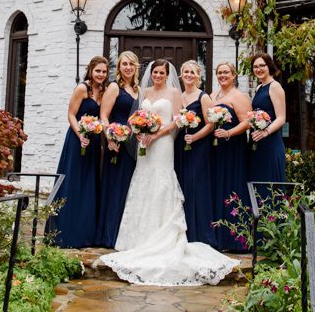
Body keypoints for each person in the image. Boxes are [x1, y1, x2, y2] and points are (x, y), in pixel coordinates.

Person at [100, 59, 238, 286]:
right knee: (143, 182)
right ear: (151, 74)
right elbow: (135, 118)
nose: (157, 75)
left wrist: (156, 134)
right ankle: (137, 237)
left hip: (163, 144)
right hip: (145, 143)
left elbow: (176, 121)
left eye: (161, 72)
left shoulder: (174, 92)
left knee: (162, 182)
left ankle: (163, 233)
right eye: (154, 72)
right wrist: (139, 132)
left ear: (167, 74)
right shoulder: (143, 92)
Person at [46, 56, 108, 248]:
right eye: (98, 71)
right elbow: (71, 114)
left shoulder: (104, 90)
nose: (101, 75)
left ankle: (85, 232)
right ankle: (66, 231)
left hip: (94, 141)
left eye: (104, 72)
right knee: (74, 182)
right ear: (90, 70)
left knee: (89, 183)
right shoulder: (82, 88)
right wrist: (80, 133)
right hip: (77, 140)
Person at [95, 51, 140, 248]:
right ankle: (109, 235)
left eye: (131, 64)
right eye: (124, 64)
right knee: (115, 187)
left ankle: (126, 234)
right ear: (119, 67)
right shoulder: (114, 87)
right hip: (117, 145)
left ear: (136, 67)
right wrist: (110, 138)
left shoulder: (139, 91)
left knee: (131, 188)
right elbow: (103, 116)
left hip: (134, 145)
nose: (128, 67)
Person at [209, 61, 252, 251]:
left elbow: (247, 123)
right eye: (219, 73)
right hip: (215, 148)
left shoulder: (239, 96)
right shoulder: (212, 95)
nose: (222, 75)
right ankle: (217, 236)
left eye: (226, 72)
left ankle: (235, 239)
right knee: (217, 187)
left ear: (234, 75)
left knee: (231, 187)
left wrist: (228, 133)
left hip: (233, 147)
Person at [174, 60, 216, 247]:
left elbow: (211, 124)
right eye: (186, 71)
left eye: (192, 72)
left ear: (198, 75)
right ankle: (185, 230)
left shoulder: (203, 97)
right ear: (181, 75)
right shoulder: (179, 96)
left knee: (196, 185)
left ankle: (201, 233)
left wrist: (195, 138)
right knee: (183, 185)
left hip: (198, 146)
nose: (189, 75)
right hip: (181, 146)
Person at [248, 53, 287, 183]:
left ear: (269, 66)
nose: (258, 69)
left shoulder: (275, 87)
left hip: (270, 143)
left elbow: (281, 118)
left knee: (269, 183)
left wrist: (265, 132)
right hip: (257, 142)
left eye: (262, 65)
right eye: (255, 67)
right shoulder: (259, 87)